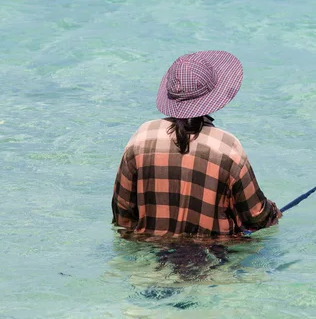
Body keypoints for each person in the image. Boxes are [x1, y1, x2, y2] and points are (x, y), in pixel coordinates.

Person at [111, 50, 282, 240]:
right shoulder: (227, 147)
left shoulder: (142, 136)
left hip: (151, 254)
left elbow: (122, 215)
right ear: (211, 95)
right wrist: (273, 213)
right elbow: (255, 217)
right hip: (213, 257)